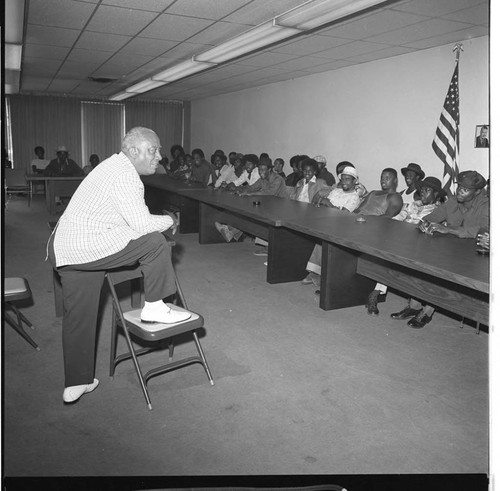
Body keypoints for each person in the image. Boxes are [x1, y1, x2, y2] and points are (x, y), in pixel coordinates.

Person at [47, 127, 188, 404]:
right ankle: (155, 307)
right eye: (153, 149)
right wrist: (170, 221)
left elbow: (119, 217)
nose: (159, 156)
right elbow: (142, 225)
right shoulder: (126, 175)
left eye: (158, 150)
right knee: (155, 242)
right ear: (133, 151)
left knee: (79, 316)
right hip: (86, 246)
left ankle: (77, 382)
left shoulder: (111, 167)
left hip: (66, 250)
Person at [391, 170, 488, 328]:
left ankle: (428, 311)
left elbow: (484, 229)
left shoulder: (486, 205)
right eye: (459, 187)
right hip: (450, 249)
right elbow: (432, 217)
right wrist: (424, 223)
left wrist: (450, 230)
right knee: (421, 259)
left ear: (477, 192)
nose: (460, 191)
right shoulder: (452, 201)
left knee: (440, 269)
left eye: (466, 189)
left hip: (473, 254)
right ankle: (414, 306)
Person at [366, 176, 446, 315]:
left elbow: (435, 232)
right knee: (385, 255)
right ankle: (376, 292)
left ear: (436, 194)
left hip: (422, 248)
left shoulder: (439, 211)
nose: (422, 192)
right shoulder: (412, 205)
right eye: (422, 189)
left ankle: (419, 308)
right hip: (402, 242)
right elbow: (397, 219)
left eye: (427, 190)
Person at [302, 165, 363, 287]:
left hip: (340, 227)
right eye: (342, 179)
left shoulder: (354, 197)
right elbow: (319, 202)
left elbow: (343, 214)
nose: (344, 182)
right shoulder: (336, 191)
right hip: (324, 220)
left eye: (348, 179)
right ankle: (312, 269)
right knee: (301, 228)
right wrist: (326, 204)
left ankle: (315, 272)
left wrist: (327, 203)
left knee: (322, 238)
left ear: (354, 181)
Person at [214, 159, 287, 244]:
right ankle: (230, 231)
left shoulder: (278, 179)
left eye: (263, 170)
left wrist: (250, 194)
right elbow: (251, 187)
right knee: (245, 209)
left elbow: (269, 193)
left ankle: (231, 232)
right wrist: (239, 189)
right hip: (269, 205)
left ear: (269, 170)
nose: (260, 172)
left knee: (250, 210)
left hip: (281, 209)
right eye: (259, 169)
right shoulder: (262, 179)